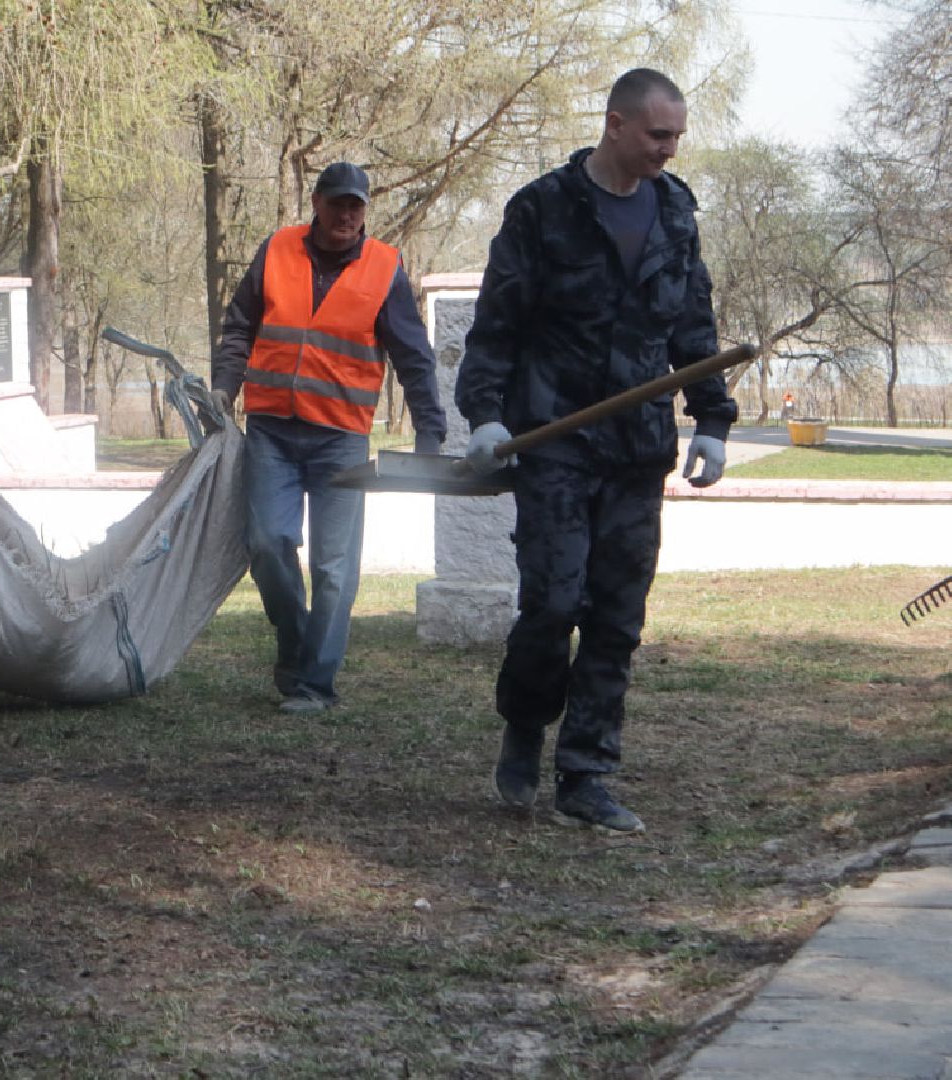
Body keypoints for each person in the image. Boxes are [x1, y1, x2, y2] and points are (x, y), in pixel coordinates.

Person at [455, 69, 738, 832]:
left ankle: (585, 775)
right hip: (554, 438)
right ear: (614, 124)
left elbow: (693, 328)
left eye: (676, 136)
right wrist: (484, 415)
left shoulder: (674, 212)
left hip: (637, 448)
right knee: (552, 604)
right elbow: (497, 324)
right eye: (657, 135)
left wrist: (711, 421)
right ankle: (525, 723)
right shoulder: (542, 208)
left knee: (615, 618)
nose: (668, 150)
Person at [212, 161, 446, 714]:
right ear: (316, 203)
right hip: (272, 430)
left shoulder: (384, 268)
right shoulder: (277, 250)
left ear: (365, 210)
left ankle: (316, 684)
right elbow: (240, 325)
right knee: (267, 544)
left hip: (341, 437)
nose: (346, 215)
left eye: (355, 206)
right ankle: (295, 645)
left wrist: (430, 429)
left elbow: (413, 355)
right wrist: (224, 386)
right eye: (337, 203)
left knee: (333, 568)